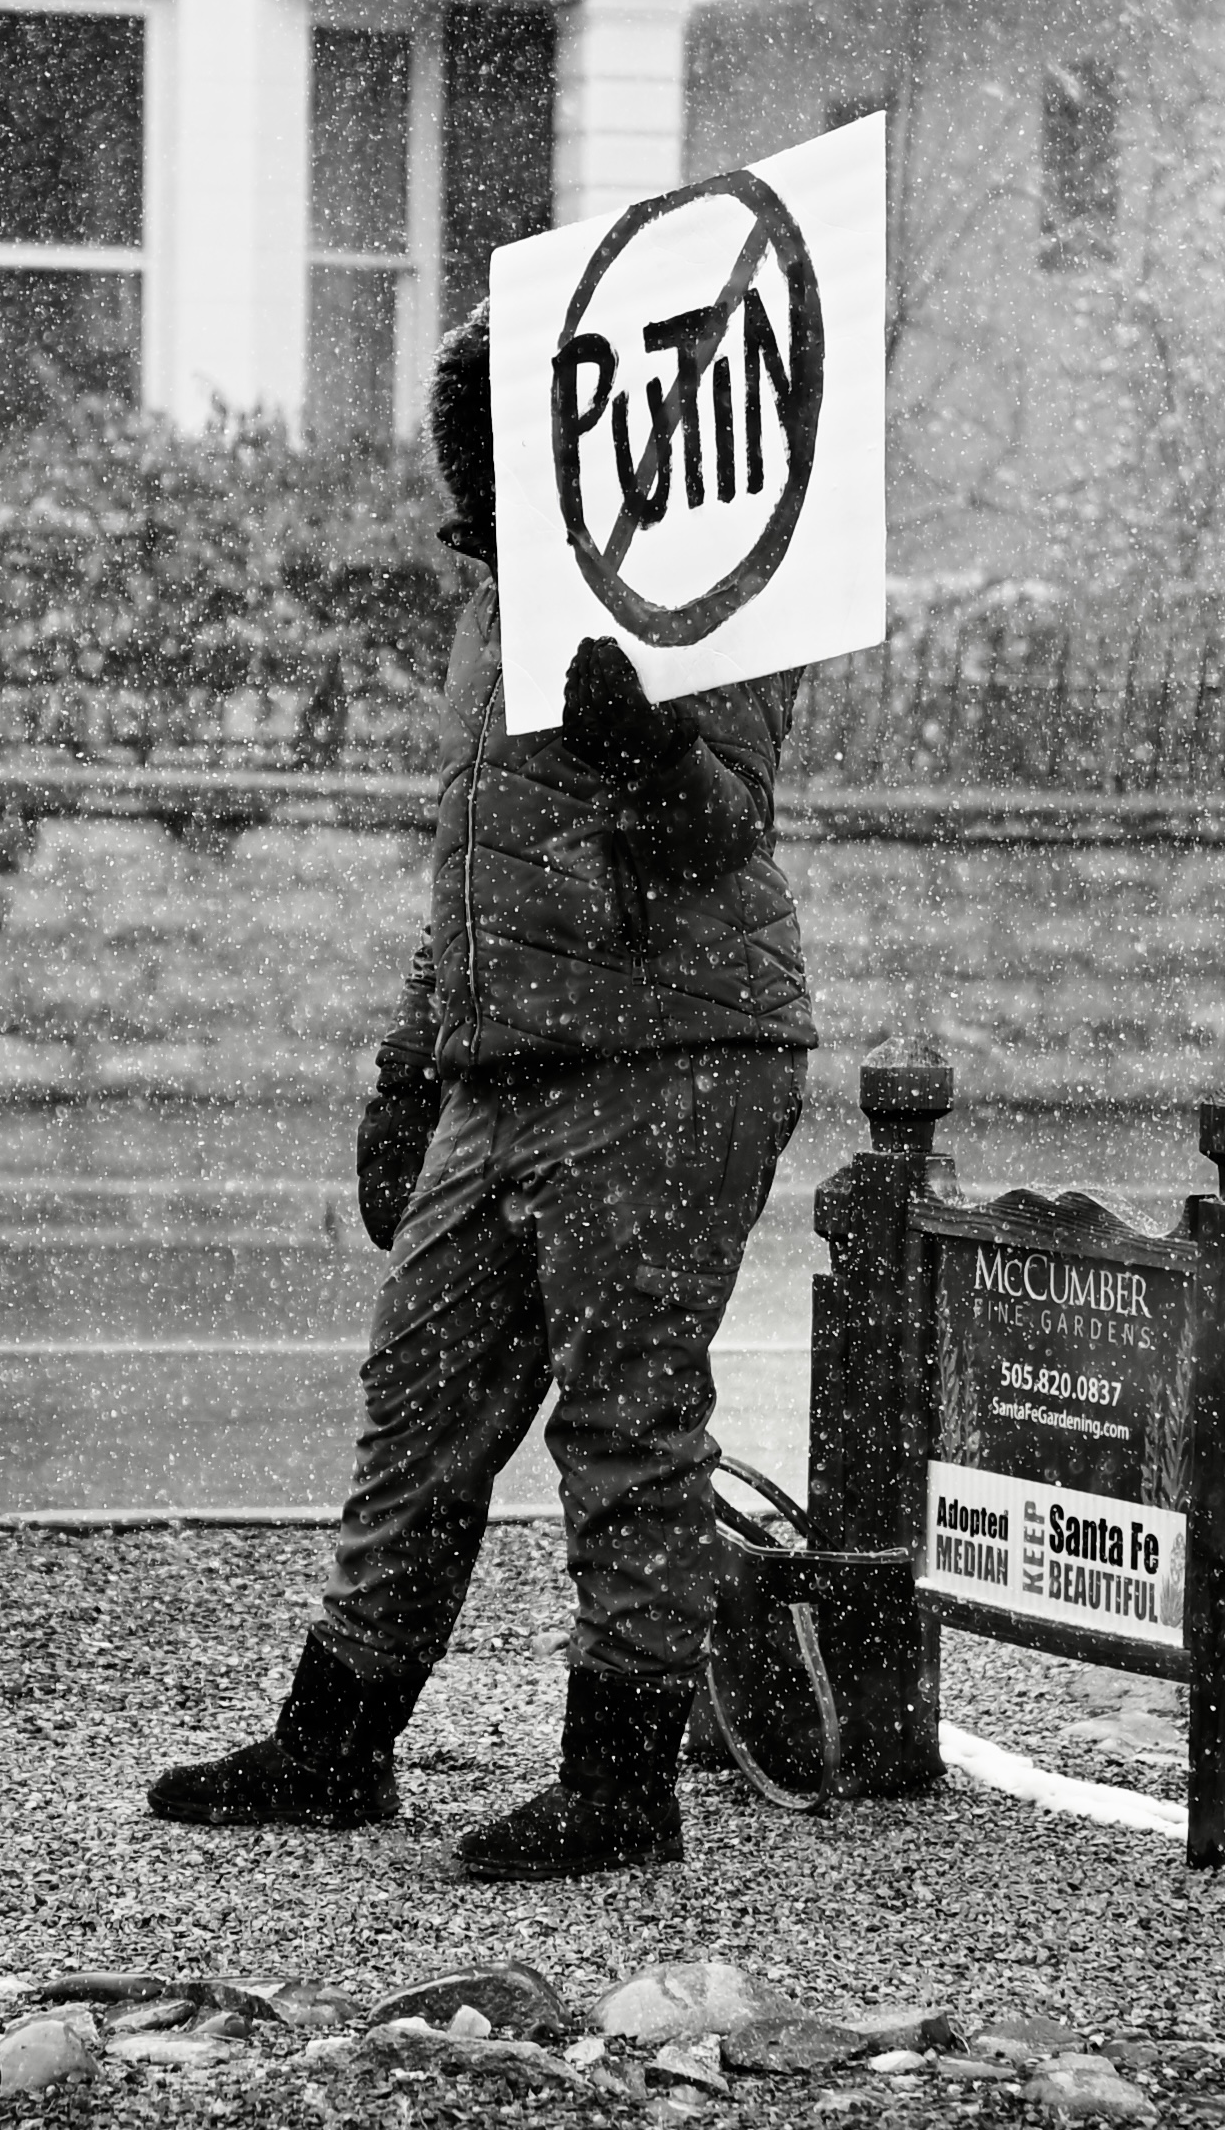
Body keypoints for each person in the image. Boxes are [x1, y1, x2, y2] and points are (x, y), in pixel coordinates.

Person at [146, 312, 815, 1879]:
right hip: (507, 1063)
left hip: (674, 1050)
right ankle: (337, 1743)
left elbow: (724, 833)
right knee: (420, 1412)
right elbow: (472, 858)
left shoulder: (713, 582)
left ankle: (621, 1781)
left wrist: (649, 751)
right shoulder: (501, 600)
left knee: (625, 1417)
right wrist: (409, 1062)